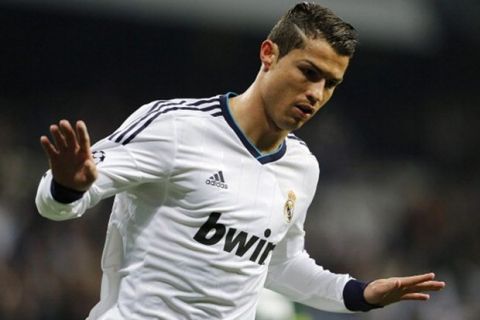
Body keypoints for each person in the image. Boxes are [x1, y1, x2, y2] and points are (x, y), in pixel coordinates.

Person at [35, 2, 445, 319]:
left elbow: (279, 264)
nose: (316, 94)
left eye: (330, 84)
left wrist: (357, 294)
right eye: (308, 72)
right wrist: (67, 185)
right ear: (268, 54)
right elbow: (59, 205)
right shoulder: (176, 127)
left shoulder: (301, 168)